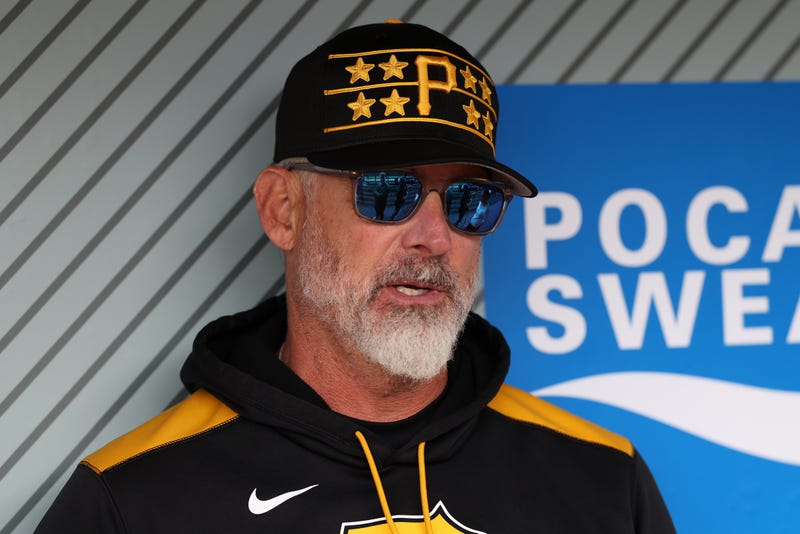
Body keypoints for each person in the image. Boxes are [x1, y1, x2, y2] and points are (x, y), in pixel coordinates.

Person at [36, 20, 675, 533]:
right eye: (389, 191)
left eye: (468, 202)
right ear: (283, 210)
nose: (434, 236)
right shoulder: (133, 497)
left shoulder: (600, 477)